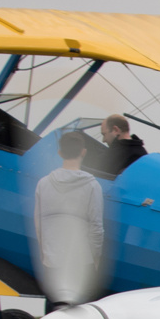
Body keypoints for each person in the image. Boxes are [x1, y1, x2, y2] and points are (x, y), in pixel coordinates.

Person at [34, 130, 106, 307]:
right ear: (83, 152)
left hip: (53, 262)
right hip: (82, 262)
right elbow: (96, 227)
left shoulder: (43, 184)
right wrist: (95, 258)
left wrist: (45, 254)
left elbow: (38, 224)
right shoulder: (92, 185)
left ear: (60, 153)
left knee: (54, 318)